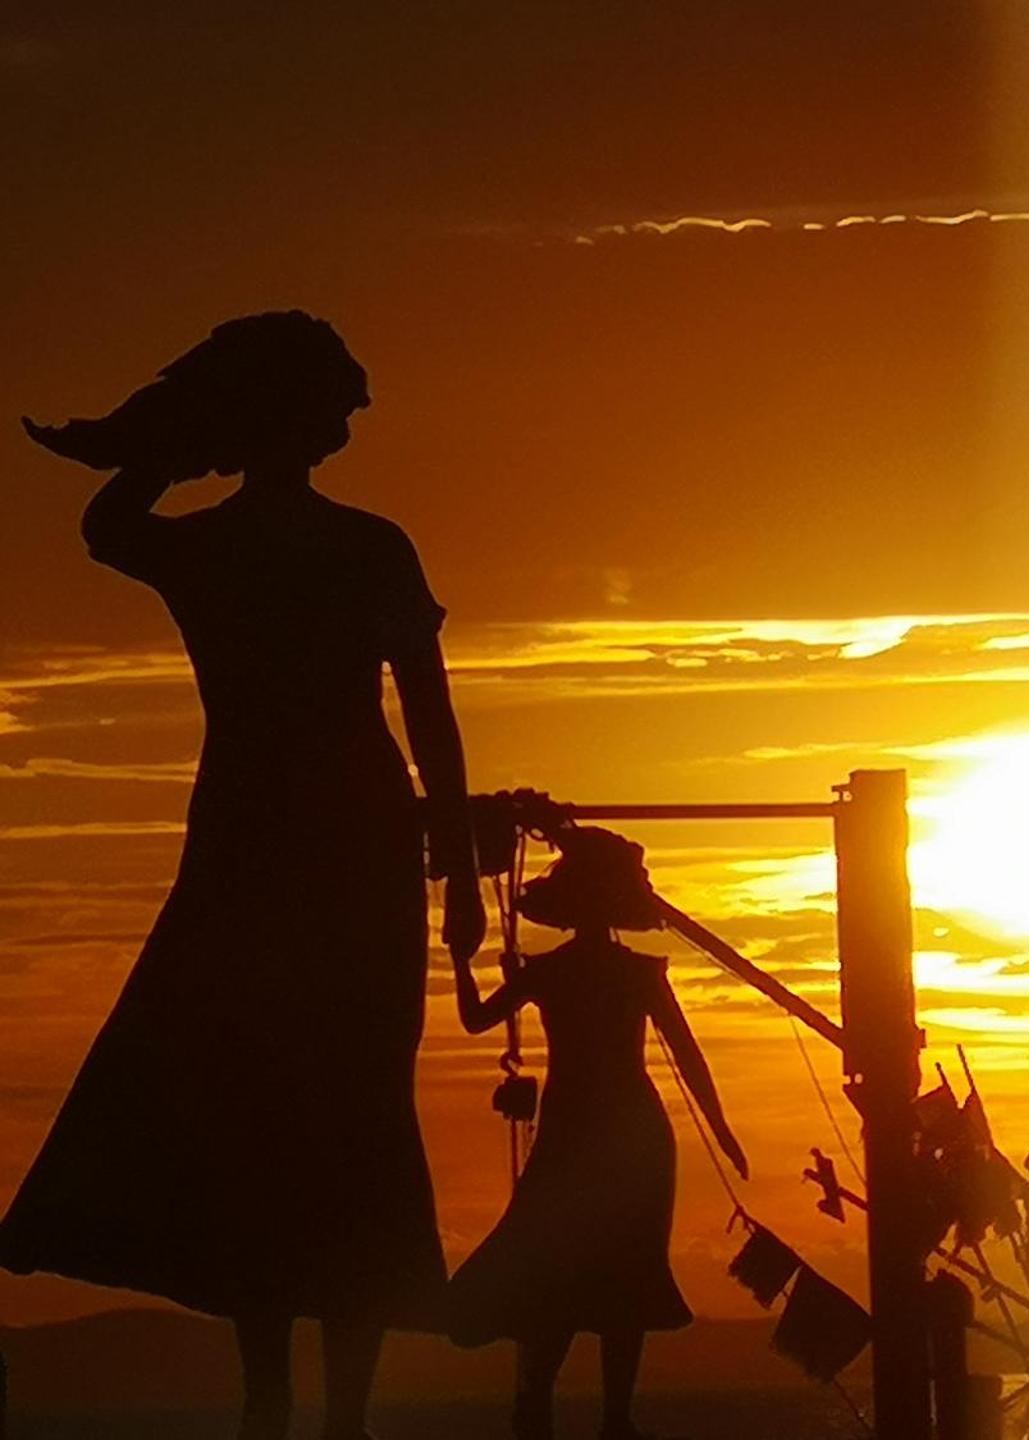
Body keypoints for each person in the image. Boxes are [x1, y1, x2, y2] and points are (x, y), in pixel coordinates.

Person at [1, 312, 486, 1440]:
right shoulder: (357, 547)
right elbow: (433, 725)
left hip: (297, 846)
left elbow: (108, 521)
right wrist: (453, 870)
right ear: (293, 417)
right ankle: (311, 1412)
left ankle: (301, 1409)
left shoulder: (253, 547)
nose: (350, 416)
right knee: (296, 1121)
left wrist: (170, 441)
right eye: (328, 399)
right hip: (301, 850)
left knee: (319, 1120)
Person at [446, 825, 747, 1440]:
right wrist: (719, 1129)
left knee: (602, 1268)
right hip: (614, 1129)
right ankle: (588, 1412)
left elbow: (475, 1017)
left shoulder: (562, 972)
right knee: (583, 1267)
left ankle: (578, 1410)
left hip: (605, 1129)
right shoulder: (618, 973)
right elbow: (689, 1060)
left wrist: (461, 961)